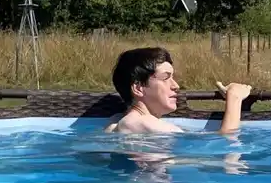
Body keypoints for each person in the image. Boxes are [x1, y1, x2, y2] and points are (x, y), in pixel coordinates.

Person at [104, 46, 253, 135]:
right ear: (138, 88)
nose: (176, 85)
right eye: (165, 78)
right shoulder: (145, 124)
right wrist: (234, 98)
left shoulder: (115, 123)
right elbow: (223, 150)